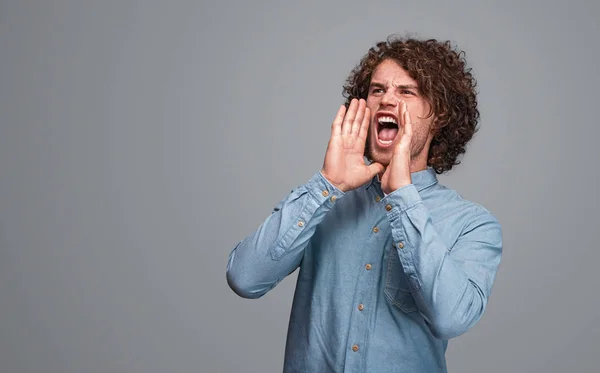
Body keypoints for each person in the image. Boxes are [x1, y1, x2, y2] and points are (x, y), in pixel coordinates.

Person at [225, 34, 503, 373]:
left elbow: (452, 319)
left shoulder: (472, 224)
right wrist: (327, 185)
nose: (387, 100)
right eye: (377, 90)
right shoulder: (325, 201)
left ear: (440, 114)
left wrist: (402, 198)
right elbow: (245, 278)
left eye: (406, 91)